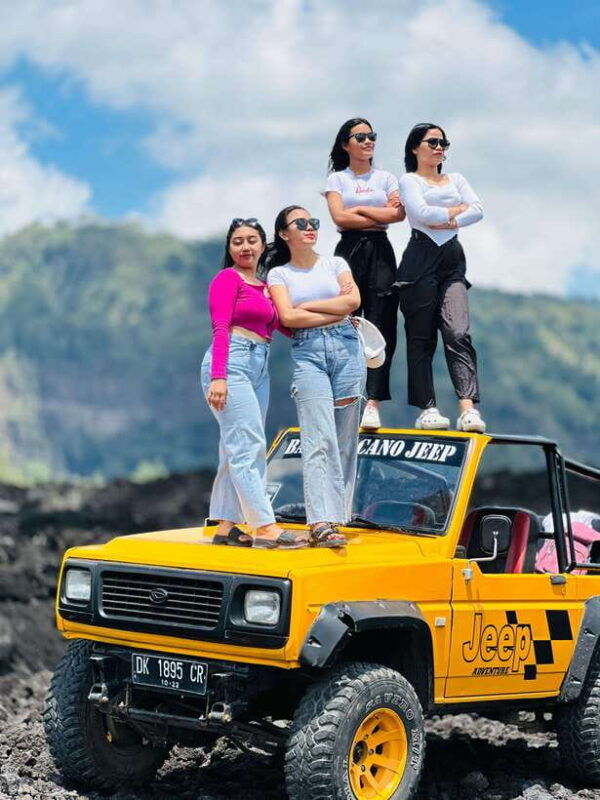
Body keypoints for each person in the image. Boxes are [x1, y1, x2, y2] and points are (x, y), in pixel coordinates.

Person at [201, 218, 308, 549]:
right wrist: (219, 376)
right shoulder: (227, 279)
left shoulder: (265, 286)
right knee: (247, 446)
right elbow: (220, 326)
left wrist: (330, 316)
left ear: (263, 245)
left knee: (233, 447)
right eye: (237, 241)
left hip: (258, 367)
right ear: (230, 248)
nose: (245, 247)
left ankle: (226, 525)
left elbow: (287, 326)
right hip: (230, 362)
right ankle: (264, 526)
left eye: (251, 240)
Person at [267, 206, 365, 547]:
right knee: (317, 436)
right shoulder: (279, 275)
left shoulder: (336, 263)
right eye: (301, 223)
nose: (310, 228)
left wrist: (307, 308)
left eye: (314, 223)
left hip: (348, 349)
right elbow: (288, 319)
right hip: (309, 354)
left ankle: (339, 516)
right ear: (284, 234)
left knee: (343, 437)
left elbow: (353, 300)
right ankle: (320, 521)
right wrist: (330, 307)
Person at [394, 122, 486, 433]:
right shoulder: (408, 180)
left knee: (458, 331)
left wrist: (447, 215)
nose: (439, 147)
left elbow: (478, 210)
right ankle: (427, 408)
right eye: (432, 141)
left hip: (451, 257)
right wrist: (455, 211)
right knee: (421, 338)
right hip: (419, 258)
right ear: (414, 147)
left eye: (443, 143)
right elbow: (420, 214)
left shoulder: (456, 178)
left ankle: (467, 408)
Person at [323, 117, 405, 430]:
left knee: (382, 321)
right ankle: (345, 395)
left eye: (371, 135)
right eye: (360, 137)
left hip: (381, 250)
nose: (368, 141)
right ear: (346, 144)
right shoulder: (337, 180)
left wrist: (360, 211)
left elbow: (397, 214)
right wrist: (375, 212)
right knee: (345, 320)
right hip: (348, 250)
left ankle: (373, 402)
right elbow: (338, 216)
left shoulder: (385, 177)